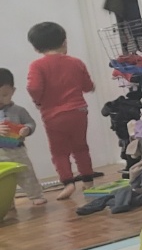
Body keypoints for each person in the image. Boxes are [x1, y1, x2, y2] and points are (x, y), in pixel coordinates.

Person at [26, 22, 97, 200]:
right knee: (81, 147)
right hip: (79, 111)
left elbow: (33, 87)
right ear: (64, 42)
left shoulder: (37, 66)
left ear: (36, 48)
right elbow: (88, 86)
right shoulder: (76, 62)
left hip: (53, 116)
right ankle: (88, 181)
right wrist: (90, 86)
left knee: (59, 151)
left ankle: (68, 182)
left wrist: (38, 101)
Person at [0, 68, 46, 206]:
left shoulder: (19, 110)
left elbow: (30, 123)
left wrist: (27, 129)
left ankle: (36, 195)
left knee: (27, 173)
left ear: (13, 91)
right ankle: (7, 202)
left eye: (4, 95)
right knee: (3, 180)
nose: (0, 99)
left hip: (18, 151)